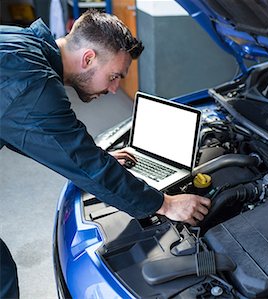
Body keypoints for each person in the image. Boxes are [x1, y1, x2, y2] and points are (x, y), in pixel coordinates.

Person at [0, 10, 211, 298]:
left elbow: (20, 127)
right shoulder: (33, 83)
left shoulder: (17, 42)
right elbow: (80, 160)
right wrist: (165, 204)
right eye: (114, 76)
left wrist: (92, 155)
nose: (114, 89)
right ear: (88, 58)